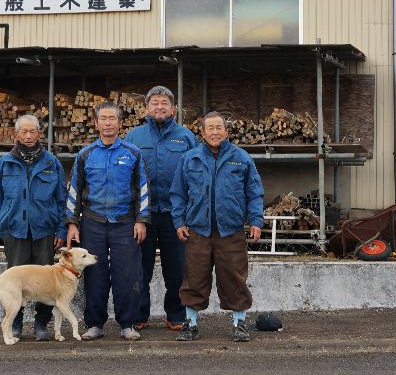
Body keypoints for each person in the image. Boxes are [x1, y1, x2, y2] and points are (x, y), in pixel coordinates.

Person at [170, 111, 264, 342]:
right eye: (210, 128)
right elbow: (178, 193)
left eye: (219, 128)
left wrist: (256, 221)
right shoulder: (189, 158)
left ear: (226, 132)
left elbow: (254, 193)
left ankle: (239, 324)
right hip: (198, 231)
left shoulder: (241, 158)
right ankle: (190, 324)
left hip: (230, 231)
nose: (215, 132)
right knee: (194, 277)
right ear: (202, 133)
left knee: (234, 278)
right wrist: (179, 222)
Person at [65, 101, 149, 341]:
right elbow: (74, 191)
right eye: (103, 118)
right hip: (93, 222)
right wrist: (72, 223)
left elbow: (142, 189)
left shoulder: (133, 153)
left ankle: (128, 324)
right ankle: (94, 324)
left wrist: (141, 220)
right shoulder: (85, 154)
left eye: (113, 118)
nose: (108, 123)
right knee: (95, 275)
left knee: (127, 274)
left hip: (125, 222)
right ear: (96, 123)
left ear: (121, 123)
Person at [124, 86, 198, 332]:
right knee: (139, 268)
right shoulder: (134, 137)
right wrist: (134, 213)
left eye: (164, 102)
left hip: (176, 216)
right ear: (146, 108)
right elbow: (127, 176)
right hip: (142, 216)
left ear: (173, 108)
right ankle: (138, 314)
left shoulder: (186, 137)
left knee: (177, 269)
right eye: (155, 102)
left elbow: (196, 176)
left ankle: (175, 315)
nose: (160, 106)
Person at [0, 114, 67, 342]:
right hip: (15, 232)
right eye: (24, 131)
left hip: (44, 232)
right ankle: (15, 324)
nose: (29, 135)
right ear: (16, 135)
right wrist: (3, 228)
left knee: (46, 281)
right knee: (15, 282)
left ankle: (41, 324)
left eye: (33, 131)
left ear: (39, 134)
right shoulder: (3, 164)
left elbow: (62, 201)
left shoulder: (52, 164)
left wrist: (61, 230)